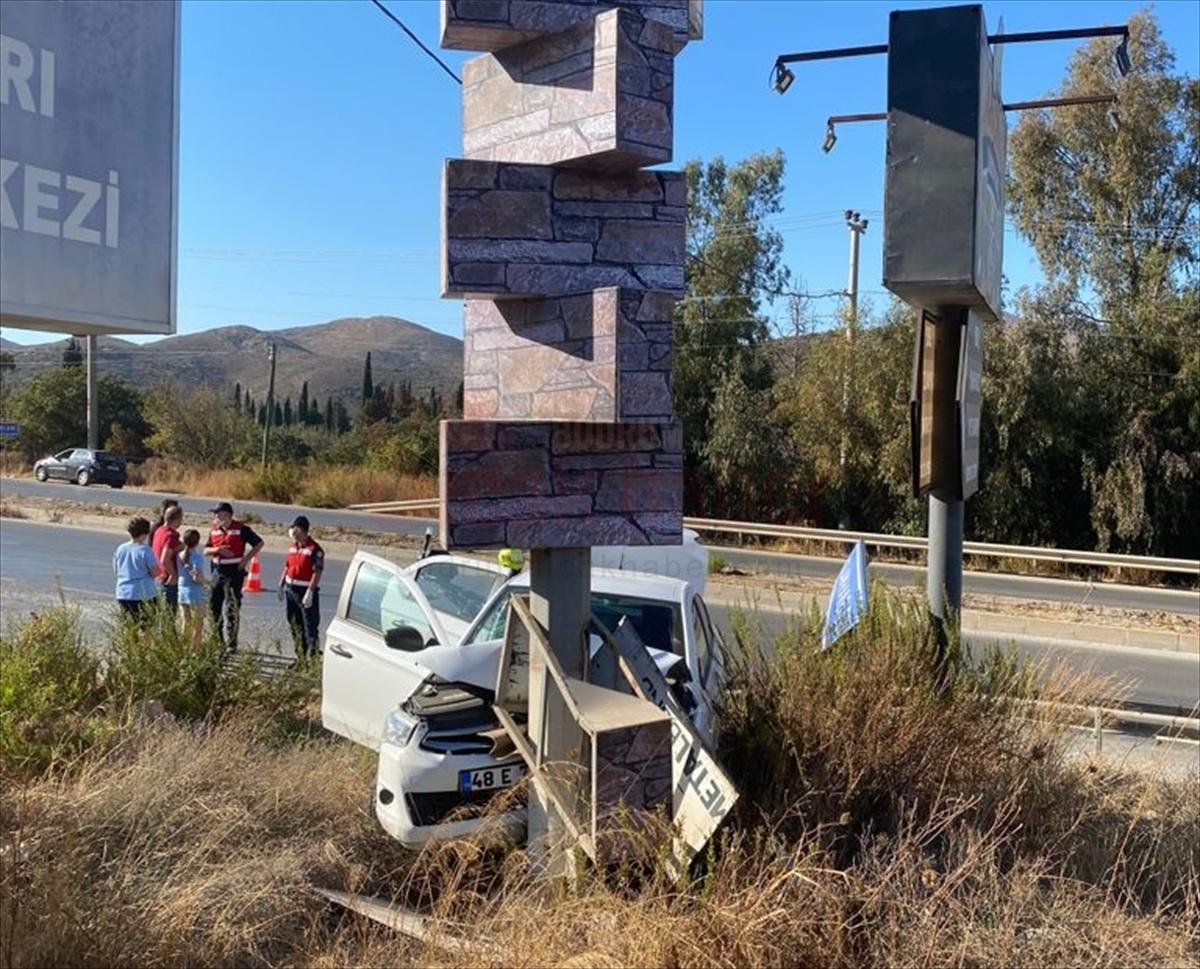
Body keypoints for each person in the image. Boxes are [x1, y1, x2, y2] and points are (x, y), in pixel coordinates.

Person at [203, 501, 263, 653]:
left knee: (232, 608)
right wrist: (217, 549)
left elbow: (259, 543)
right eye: (215, 514)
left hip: (233, 572)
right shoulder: (214, 530)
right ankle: (218, 640)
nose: (215, 517)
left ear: (227, 515)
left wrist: (246, 559)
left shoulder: (241, 529)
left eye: (218, 514)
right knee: (213, 607)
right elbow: (205, 550)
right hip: (217, 572)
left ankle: (232, 643)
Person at [278, 515, 324, 660]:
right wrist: (281, 584)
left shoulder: (314, 549)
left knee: (309, 627)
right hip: (291, 591)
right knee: (294, 625)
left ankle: (313, 658)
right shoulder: (293, 547)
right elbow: (287, 566)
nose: (292, 531)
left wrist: (310, 592)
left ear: (301, 529)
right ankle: (301, 658)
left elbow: (317, 571)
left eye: (294, 528)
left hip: (305, 593)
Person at [113, 516, 160, 622]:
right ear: (145, 533)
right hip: (143, 594)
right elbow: (154, 572)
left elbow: (116, 569)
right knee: (146, 627)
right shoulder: (146, 550)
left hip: (123, 593)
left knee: (129, 626)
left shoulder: (121, 549)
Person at [177, 528, 209, 646]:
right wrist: (209, 582)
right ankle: (195, 649)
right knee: (198, 624)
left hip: (182, 590)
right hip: (195, 592)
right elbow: (197, 577)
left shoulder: (179, 555)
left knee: (185, 622)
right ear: (197, 542)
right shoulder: (197, 557)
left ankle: (183, 647)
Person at [152, 504, 184, 610]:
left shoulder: (159, 531)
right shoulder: (171, 536)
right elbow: (165, 559)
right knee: (169, 614)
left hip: (158, 577)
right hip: (168, 579)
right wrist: (173, 574)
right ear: (177, 519)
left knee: (161, 612)